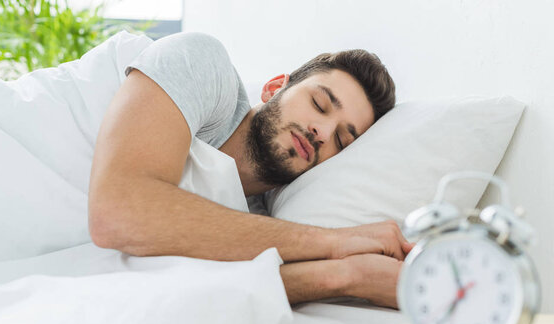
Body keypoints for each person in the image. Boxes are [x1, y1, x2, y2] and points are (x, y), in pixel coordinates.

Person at [88, 32, 411, 308]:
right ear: (273, 88)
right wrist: (335, 242)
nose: (322, 133)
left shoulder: (258, 225)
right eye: (319, 104)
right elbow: (118, 213)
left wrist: (345, 276)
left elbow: (191, 294)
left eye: (341, 141)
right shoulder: (203, 65)